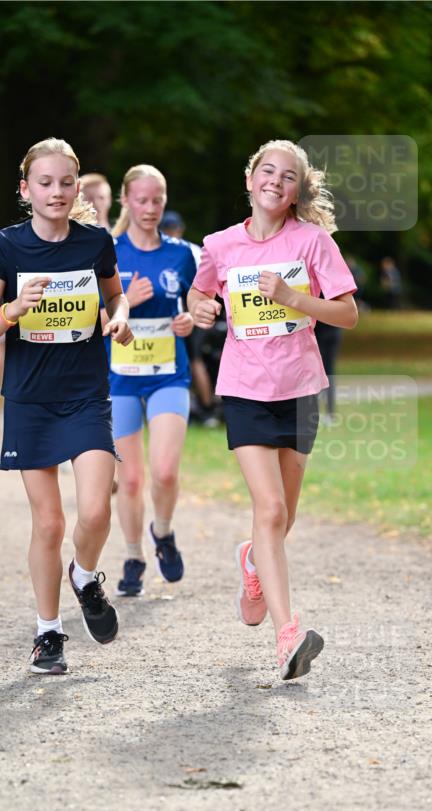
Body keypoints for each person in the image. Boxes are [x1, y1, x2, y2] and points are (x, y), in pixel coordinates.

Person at [188, 139, 358, 680]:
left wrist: (292, 299)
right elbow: (197, 298)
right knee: (270, 510)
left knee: (285, 514)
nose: (276, 182)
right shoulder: (219, 245)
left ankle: (252, 562)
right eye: (268, 171)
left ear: (295, 193)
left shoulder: (313, 242)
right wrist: (201, 308)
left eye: (288, 177)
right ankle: (289, 635)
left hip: (300, 387)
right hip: (244, 387)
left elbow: (347, 315)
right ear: (249, 178)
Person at [0, 137, 133, 677]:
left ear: (76, 186)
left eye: (66, 182)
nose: (57, 191)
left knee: (95, 511)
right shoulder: (6, 247)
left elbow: (115, 294)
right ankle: (48, 633)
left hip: (86, 395)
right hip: (30, 400)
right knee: (48, 523)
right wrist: (15, 308)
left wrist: (121, 314)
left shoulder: (94, 242)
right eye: (45, 182)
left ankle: (84, 576)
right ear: (26, 189)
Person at [104, 165, 197, 597]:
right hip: (120, 378)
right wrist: (124, 303)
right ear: (126, 201)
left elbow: (202, 303)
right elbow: (88, 321)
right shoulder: (107, 252)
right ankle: (133, 556)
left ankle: (162, 532)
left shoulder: (181, 253)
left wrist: (189, 319)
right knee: (132, 479)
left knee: (163, 471)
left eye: (157, 199)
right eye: (141, 200)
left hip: (168, 375)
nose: (150, 208)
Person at [160, 211, 219, 428]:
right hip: (192, 314)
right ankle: (197, 406)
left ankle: (206, 406)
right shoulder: (192, 249)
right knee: (192, 361)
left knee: (194, 361)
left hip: (192, 315)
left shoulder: (185, 251)